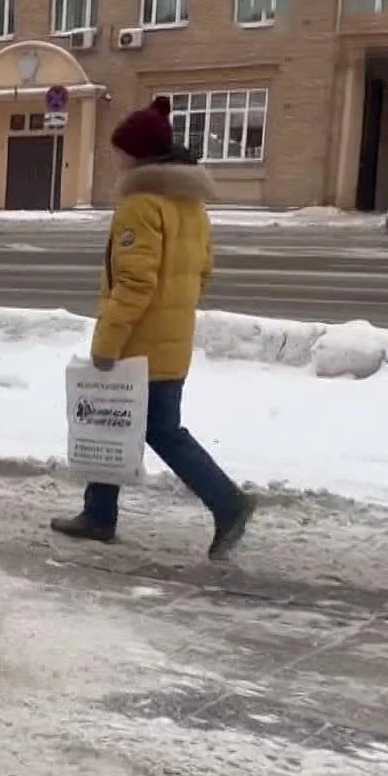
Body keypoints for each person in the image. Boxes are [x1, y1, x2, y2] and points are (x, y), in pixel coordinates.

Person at [51, 97, 257, 561]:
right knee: (113, 418)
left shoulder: (140, 205)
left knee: (158, 429)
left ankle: (228, 503)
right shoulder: (189, 205)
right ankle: (98, 515)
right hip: (172, 336)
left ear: (137, 154)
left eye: (120, 150)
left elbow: (133, 282)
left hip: (140, 342)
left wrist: (107, 343)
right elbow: (202, 271)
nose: (115, 158)